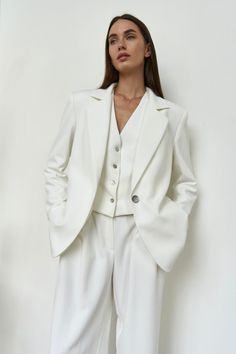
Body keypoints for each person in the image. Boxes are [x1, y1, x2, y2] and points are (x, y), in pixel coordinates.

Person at [43, 13, 198, 354]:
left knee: (139, 340)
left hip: (142, 235)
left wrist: (167, 219)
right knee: (73, 335)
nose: (120, 45)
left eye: (129, 37)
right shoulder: (82, 105)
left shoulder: (171, 117)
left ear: (147, 50)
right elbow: (55, 167)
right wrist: (61, 213)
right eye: (113, 40)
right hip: (88, 227)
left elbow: (186, 183)